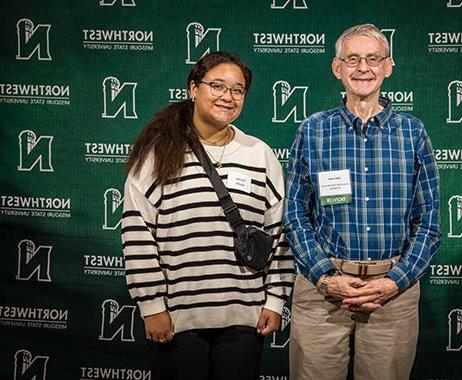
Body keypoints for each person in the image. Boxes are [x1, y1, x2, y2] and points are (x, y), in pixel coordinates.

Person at [121, 51, 295, 380]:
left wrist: (274, 300)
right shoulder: (159, 152)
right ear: (193, 88)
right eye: (217, 86)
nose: (227, 97)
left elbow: (279, 232)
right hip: (176, 320)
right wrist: (152, 306)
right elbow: (137, 232)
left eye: (237, 90)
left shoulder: (259, 154)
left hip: (244, 319)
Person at [283, 24, 442, 380]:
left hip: (392, 294)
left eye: (373, 59)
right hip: (322, 292)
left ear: (388, 66)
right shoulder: (313, 130)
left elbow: (429, 222)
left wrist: (394, 281)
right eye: (352, 59)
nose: (363, 68)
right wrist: (325, 278)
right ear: (337, 68)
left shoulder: (413, 132)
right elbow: (294, 212)